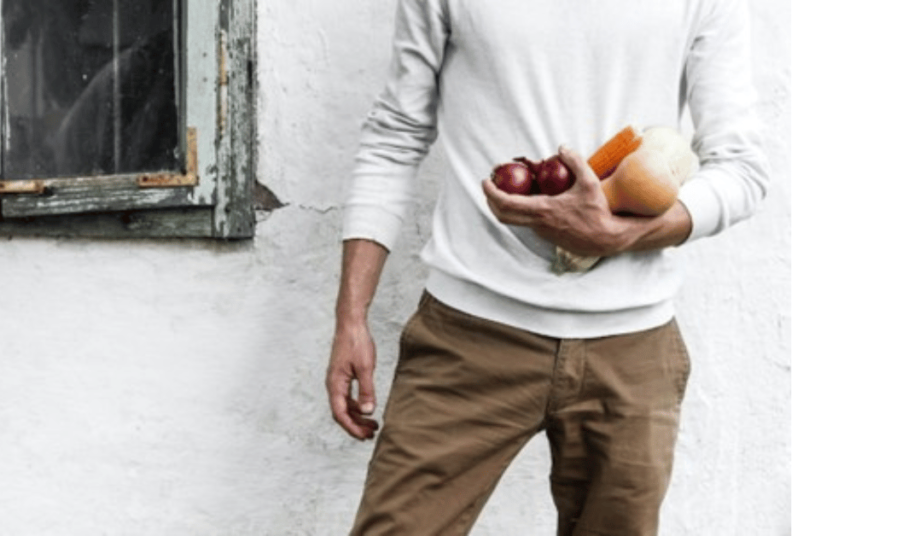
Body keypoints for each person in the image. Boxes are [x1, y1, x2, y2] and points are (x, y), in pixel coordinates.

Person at [325, 0, 770, 534]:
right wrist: (351, 317)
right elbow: (394, 137)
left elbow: (740, 168)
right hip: (467, 338)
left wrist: (621, 235)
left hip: (631, 351)